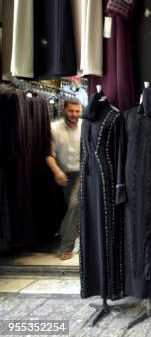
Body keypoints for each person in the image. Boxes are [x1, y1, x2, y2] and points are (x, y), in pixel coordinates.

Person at [46, 99, 82, 260]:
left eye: (77, 111)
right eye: (71, 111)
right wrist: (57, 172)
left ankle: (65, 247)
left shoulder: (85, 126)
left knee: (75, 205)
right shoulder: (54, 128)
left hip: (83, 173)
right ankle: (80, 241)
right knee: (72, 210)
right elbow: (49, 154)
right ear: (64, 110)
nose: (74, 114)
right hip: (65, 175)